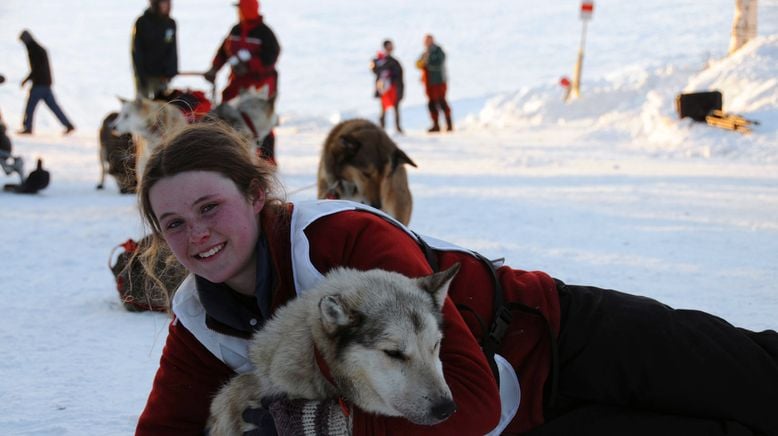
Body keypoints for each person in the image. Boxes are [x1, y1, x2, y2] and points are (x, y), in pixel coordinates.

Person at [135, 122, 778, 435]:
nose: (197, 237)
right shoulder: (201, 320)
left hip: (564, 335)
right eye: (173, 224)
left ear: (254, 195)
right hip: (526, 423)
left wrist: (317, 426)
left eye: (208, 208)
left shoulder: (339, 241)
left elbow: (469, 400)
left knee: (758, 384)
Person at [203, 0, 280, 163]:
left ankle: (267, 160)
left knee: (260, 124)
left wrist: (249, 66)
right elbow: (224, 51)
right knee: (225, 118)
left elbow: (270, 58)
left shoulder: (265, 33)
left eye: (241, 9)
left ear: (249, 9)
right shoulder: (236, 29)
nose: (239, 12)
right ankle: (229, 155)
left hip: (260, 86)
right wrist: (214, 68)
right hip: (237, 84)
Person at [18, 30, 75, 135]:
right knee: (54, 107)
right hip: (46, 83)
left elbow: (36, 69)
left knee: (30, 106)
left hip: (39, 84)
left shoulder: (34, 51)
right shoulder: (40, 49)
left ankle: (28, 127)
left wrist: (27, 80)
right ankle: (68, 125)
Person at [132, 0, 178, 99]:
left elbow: (172, 50)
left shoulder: (170, 23)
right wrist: (141, 75)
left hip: (161, 77)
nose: (168, 5)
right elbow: (137, 51)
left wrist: (170, 71)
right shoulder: (142, 22)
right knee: (143, 108)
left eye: (169, 2)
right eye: (164, 2)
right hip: (145, 75)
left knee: (161, 108)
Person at [416, 34, 452, 133]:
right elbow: (419, 63)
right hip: (428, 83)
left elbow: (439, 63)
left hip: (438, 81)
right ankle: (436, 125)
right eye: (425, 41)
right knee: (431, 103)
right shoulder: (425, 53)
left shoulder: (438, 51)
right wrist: (420, 64)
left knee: (441, 101)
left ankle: (449, 124)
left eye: (428, 40)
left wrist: (427, 64)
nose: (427, 43)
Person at [370, 39, 404, 133]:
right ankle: (382, 127)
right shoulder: (378, 60)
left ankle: (397, 127)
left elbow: (399, 75)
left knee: (396, 107)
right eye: (388, 46)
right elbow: (375, 70)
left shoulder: (394, 61)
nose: (390, 48)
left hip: (393, 88)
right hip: (383, 88)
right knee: (383, 108)